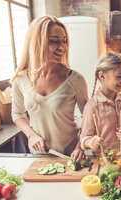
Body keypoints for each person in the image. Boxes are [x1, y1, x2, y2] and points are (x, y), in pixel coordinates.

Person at [11, 16, 88, 162]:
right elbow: (17, 114)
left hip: (71, 154)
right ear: (37, 43)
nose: (62, 47)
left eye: (64, 41)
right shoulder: (20, 80)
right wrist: (31, 135)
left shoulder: (75, 79)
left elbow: (88, 117)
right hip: (38, 155)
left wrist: (80, 147)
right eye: (54, 41)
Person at [80, 52, 121, 154]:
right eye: (119, 76)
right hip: (103, 160)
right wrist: (91, 142)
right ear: (102, 76)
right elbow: (84, 139)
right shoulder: (92, 106)